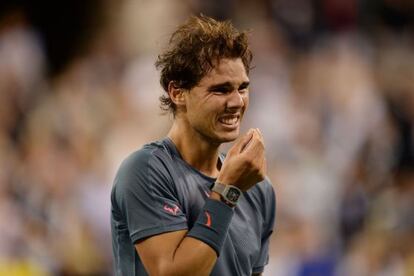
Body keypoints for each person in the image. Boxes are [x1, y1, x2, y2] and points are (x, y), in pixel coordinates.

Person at [110, 15, 276, 276]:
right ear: (177, 93)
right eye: (221, 90)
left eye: (242, 88)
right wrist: (228, 190)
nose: (237, 102)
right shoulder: (145, 170)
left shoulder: (258, 189)